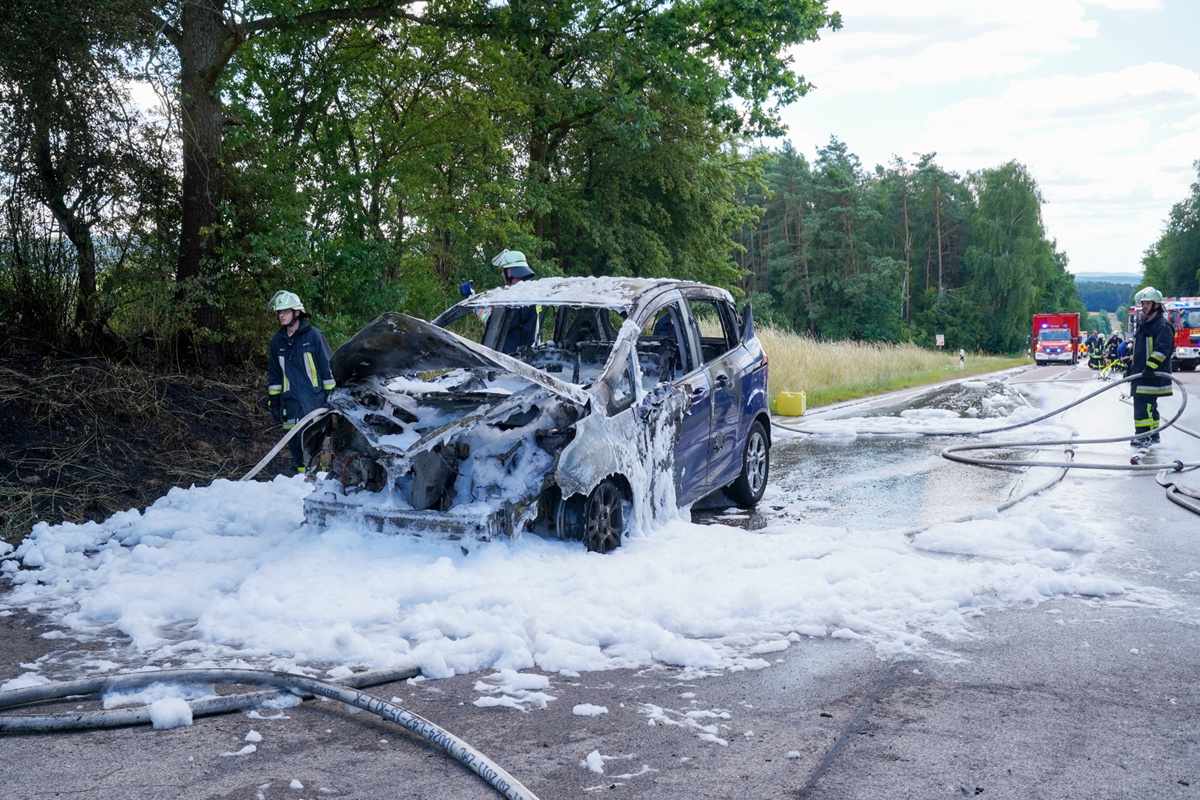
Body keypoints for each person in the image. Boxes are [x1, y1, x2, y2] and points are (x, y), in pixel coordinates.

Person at [267, 290, 336, 473]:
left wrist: (331, 397)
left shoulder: (314, 336)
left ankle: (318, 481)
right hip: (290, 403)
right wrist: (274, 403)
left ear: (297, 313)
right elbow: (274, 376)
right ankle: (300, 482)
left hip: (313, 402)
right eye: (279, 312)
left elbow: (326, 368)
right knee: (296, 446)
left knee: (315, 445)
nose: (281, 315)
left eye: (285, 311)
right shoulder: (277, 342)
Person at [1126, 286, 1174, 446]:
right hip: (1143, 375)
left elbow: (1161, 351)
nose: (1144, 306)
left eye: (1147, 303)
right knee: (1150, 407)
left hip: (1151, 377)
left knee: (1142, 406)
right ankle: (1153, 435)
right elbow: (1140, 351)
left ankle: (1143, 437)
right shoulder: (1146, 324)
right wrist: (1131, 368)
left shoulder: (1162, 326)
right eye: (1143, 303)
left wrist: (1149, 368)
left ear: (1156, 305)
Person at [492, 249, 538, 354]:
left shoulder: (519, 297)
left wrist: (480, 309)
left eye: (504, 270)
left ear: (512, 271)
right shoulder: (531, 291)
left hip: (511, 358)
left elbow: (497, 326)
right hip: (524, 354)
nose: (502, 275)